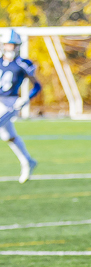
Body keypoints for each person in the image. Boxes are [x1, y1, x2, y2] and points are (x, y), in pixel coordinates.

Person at [0, 29, 41, 184]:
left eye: (14, 45)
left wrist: (26, 98)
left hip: (10, 102)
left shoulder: (23, 64)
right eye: (9, 45)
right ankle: (28, 161)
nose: (11, 48)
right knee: (8, 136)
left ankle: (28, 162)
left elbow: (37, 86)